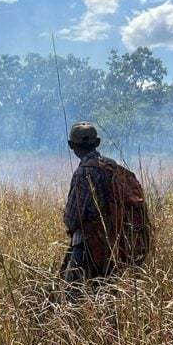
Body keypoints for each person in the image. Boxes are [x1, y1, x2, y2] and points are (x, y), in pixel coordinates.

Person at [61, 121, 114, 291]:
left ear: (71, 145)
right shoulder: (112, 166)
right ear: (97, 143)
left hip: (87, 244)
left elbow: (72, 219)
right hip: (115, 242)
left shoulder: (83, 172)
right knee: (105, 294)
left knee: (72, 298)